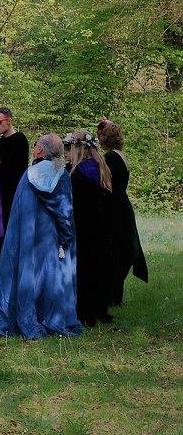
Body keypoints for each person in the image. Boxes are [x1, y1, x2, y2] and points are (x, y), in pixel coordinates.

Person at [0, 134, 81, 339]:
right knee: (49, 274)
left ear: (39, 150)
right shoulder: (62, 175)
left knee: (27, 272)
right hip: (50, 234)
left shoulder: (28, 175)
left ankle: (20, 316)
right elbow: (65, 211)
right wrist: (66, 238)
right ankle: (49, 316)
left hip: (27, 233)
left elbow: (18, 210)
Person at [96, 119, 148, 305]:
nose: (99, 139)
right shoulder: (121, 155)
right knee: (121, 248)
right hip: (122, 204)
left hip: (114, 207)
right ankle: (114, 294)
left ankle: (112, 295)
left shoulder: (111, 157)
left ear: (107, 138)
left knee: (115, 250)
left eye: (101, 136)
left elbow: (105, 184)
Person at [65, 129, 114, 327]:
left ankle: (85, 312)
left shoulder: (77, 172)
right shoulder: (102, 167)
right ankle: (100, 308)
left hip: (83, 225)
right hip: (102, 225)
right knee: (99, 266)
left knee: (84, 268)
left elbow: (74, 203)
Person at [0, 107, 29, 275]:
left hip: (12, 194)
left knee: (9, 230)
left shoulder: (20, 140)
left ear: (9, 120)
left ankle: (10, 272)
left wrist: (2, 165)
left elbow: (21, 169)